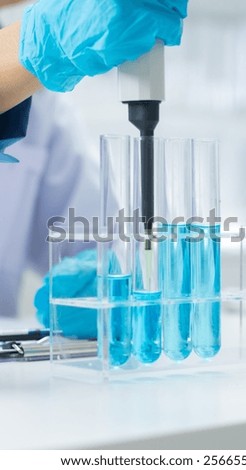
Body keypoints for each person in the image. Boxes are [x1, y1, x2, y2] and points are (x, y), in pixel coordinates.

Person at [0, 0, 188, 336]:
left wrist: (110, 273)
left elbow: (97, 240)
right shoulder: (40, 51)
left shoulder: (40, 107)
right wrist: (42, 41)